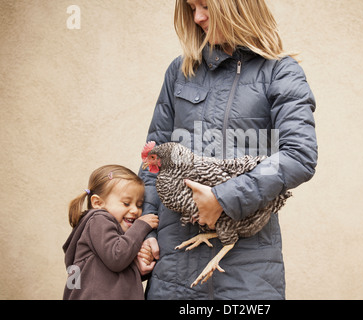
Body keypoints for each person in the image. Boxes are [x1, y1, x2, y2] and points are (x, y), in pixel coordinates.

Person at [138, 0, 317, 299]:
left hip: (248, 273)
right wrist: (147, 231)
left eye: (205, 6)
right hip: (173, 270)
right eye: (192, 8)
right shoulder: (180, 71)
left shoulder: (280, 73)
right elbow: (155, 163)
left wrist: (224, 198)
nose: (197, 17)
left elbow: (299, 156)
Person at [63, 165, 159, 300]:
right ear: (98, 202)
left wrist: (140, 267)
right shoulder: (98, 219)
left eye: (139, 205)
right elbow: (117, 257)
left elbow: (117, 275)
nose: (135, 211)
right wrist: (142, 225)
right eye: (126, 203)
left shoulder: (114, 236)